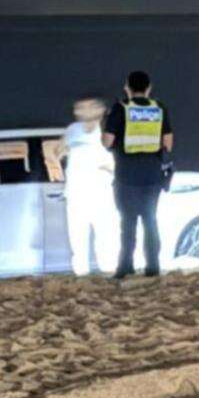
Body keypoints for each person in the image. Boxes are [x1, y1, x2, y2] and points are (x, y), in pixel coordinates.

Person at [102, 71, 174, 278]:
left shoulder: (120, 109)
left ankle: (125, 267)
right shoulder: (159, 108)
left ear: (127, 88)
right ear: (149, 88)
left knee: (128, 222)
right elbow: (168, 144)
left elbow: (107, 142)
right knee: (150, 220)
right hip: (152, 176)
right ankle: (153, 267)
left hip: (126, 176)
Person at [56, 95, 119, 276]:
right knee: (77, 238)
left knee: (106, 237)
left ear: (101, 109)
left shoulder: (109, 130)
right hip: (76, 195)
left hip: (102, 194)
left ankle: (108, 274)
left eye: (89, 106)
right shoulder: (72, 130)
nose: (83, 111)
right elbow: (57, 151)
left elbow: (120, 158)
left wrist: (109, 167)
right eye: (80, 107)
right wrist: (61, 153)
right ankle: (81, 276)